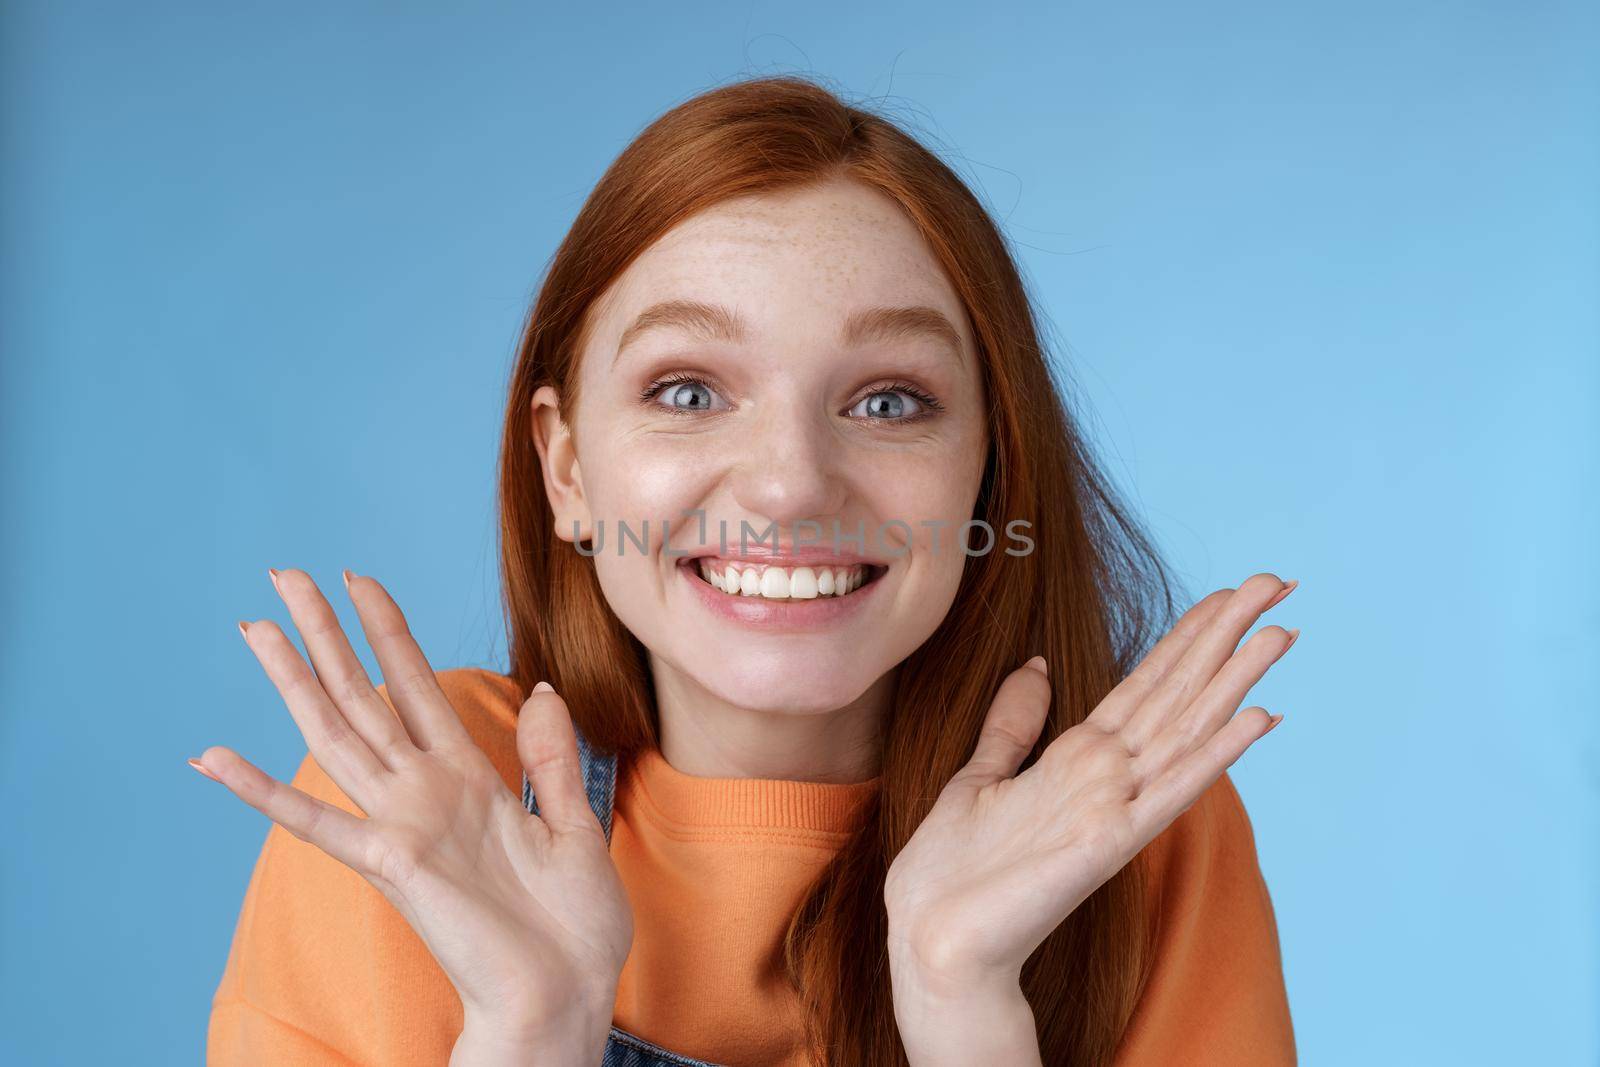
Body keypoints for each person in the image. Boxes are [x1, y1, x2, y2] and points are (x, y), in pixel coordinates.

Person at [196, 75, 1299, 1066]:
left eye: (888, 401)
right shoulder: (417, 802)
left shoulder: (1127, 832)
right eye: (686, 390)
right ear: (567, 466)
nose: (788, 487)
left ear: (989, 476)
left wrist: (964, 1006)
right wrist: (528, 1031)